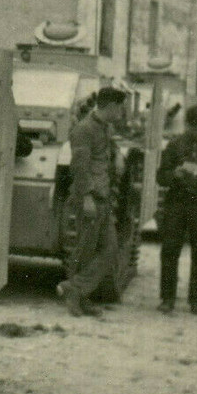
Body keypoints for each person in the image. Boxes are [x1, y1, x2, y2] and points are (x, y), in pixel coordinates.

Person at [56, 86, 128, 317]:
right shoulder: (84, 129)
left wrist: (118, 155)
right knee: (85, 251)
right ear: (111, 106)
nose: (121, 112)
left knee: (110, 250)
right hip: (90, 197)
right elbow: (79, 166)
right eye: (120, 108)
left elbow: (109, 147)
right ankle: (78, 295)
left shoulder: (104, 127)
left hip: (103, 198)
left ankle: (75, 289)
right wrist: (86, 197)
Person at [156, 104, 197, 315]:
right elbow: (161, 176)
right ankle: (167, 299)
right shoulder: (174, 145)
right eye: (193, 128)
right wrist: (174, 174)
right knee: (169, 251)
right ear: (186, 125)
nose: (196, 132)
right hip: (177, 201)